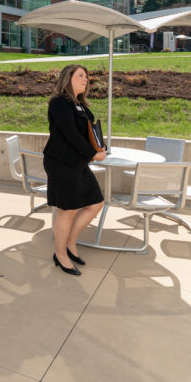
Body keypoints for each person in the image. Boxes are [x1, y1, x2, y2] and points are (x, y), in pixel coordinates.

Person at [42, 64, 108, 275]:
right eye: (80, 75)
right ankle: (60, 255)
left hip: (77, 163)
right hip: (62, 163)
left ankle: (70, 242)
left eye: (87, 76)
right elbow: (71, 133)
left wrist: (100, 146)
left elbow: (88, 131)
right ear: (67, 78)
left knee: (96, 202)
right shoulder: (59, 102)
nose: (86, 79)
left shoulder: (80, 105)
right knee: (68, 209)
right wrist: (92, 154)